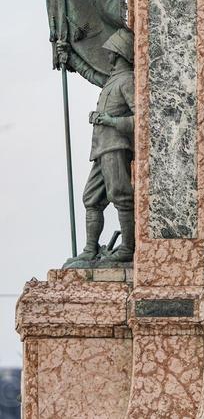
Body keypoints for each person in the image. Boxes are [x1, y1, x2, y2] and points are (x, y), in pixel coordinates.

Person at [60, 28, 136, 268]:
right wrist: (70, 57)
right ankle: (90, 249)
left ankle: (127, 248)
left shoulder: (127, 81)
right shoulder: (113, 81)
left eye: (111, 53)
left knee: (121, 196)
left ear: (118, 54)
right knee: (91, 198)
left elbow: (143, 117)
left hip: (116, 146)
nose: (108, 57)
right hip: (101, 149)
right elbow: (92, 74)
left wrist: (111, 121)